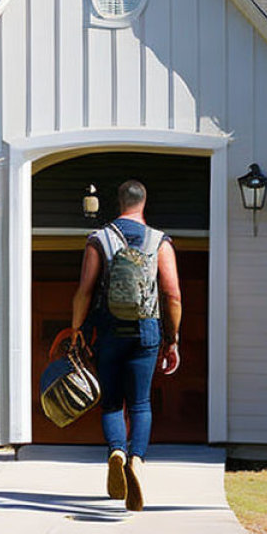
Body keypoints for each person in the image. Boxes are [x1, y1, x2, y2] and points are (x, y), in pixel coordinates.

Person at [70, 179, 182, 512]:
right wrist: (172, 339)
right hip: (146, 331)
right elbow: (172, 294)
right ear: (143, 203)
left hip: (108, 331)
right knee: (141, 404)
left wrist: (76, 330)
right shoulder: (159, 242)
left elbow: (84, 291)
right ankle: (136, 460)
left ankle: (116, 451)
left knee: (111, 403)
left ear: (119, 202)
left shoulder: (99, 239)